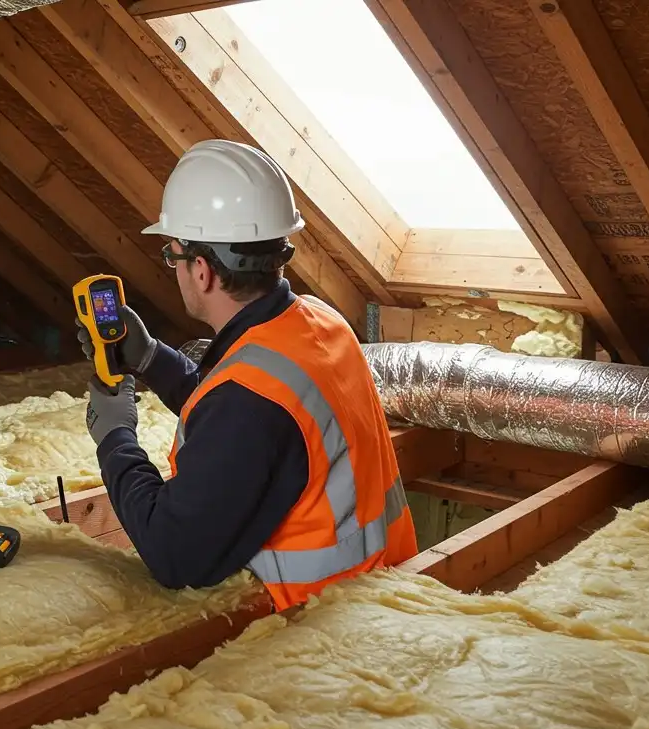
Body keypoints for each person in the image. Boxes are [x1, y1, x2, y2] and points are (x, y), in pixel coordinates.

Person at [80, 139, 417, 612]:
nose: (174, 268)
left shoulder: (248, 403)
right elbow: (241, 414)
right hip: (389, 595)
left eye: (172, 255)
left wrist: (115, 437)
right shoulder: (319, 321)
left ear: (201, 270)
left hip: (315, 634)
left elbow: (174, 554)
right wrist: (152, 358)